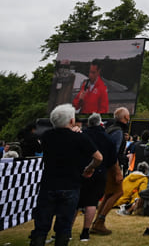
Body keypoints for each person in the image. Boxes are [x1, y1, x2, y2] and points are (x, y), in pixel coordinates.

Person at [29, 104, 103, 246]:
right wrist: (89, 168)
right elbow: (99, 157)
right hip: (70, 185)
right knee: (63, 227)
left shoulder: (46, 137)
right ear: (71, 121)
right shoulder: (79, 138)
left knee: (41, 226)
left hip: (48, 184)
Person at [90, 106, 131, 236]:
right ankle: (99, 221)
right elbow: (114, 153)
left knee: (108, 194)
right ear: (125, 118)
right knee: (118, 192)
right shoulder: (118, 132)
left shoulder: (111, 129)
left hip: (105, 166)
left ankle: (97, 221)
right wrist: (117, 171)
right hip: (112, 167)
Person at [78, 112, 117, 241]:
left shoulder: (82, 135)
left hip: (81, 171)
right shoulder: (108, 138)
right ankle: (85, 232)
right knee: (91, 202)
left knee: (75, 203)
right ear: (101, 123)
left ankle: (64, 231)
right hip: (99, 172)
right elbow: (112, 159)